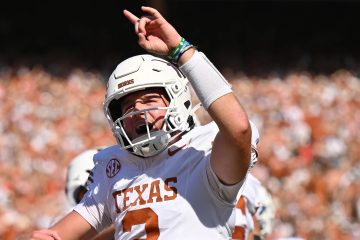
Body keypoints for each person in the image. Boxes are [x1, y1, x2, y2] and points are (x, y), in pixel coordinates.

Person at [28, 6, 252, 239]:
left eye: (149, 100)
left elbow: (238, 128)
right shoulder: (115, 168)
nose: (137, 110)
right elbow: (59, 234)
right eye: (128, 106)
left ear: (178, 101)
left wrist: (180, 49)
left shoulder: (202, 153)